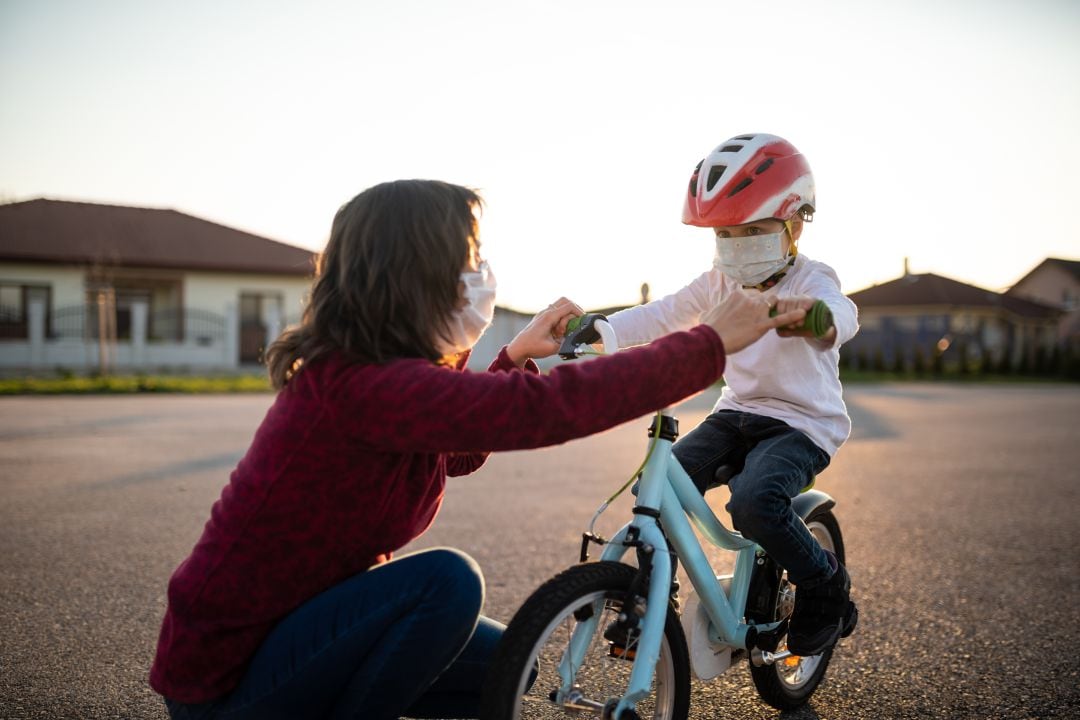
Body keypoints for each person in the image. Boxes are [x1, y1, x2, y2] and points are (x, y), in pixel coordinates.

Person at [148, 179, 806, 720]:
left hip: (296, 631)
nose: (479, 274)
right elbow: (541, 412)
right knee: (447, 583)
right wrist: (707, 344)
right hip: (229, 681)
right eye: (468, 258)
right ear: (418, 274)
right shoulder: (361, 384)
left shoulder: (379, 375)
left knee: (501, 665)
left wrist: (515, 356)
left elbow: (456, 443)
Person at [603, 133, 859, 656]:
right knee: (658, 488)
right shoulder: (718, 281)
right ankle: (653, 602)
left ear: (794, 224)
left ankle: (824, 583)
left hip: (801, 424)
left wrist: (816, 320)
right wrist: (599, 331)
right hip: (736, 414)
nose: (738, 245)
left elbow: (842, 316)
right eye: (726, 233)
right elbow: (663, 314)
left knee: (755, 503)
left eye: (755, 230)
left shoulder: (811, 279)